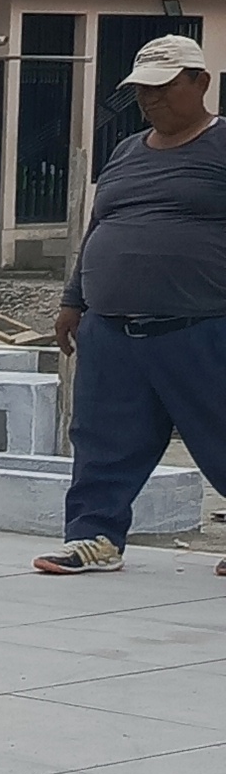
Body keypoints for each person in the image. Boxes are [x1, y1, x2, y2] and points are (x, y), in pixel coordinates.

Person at [35, 32, 226, 577]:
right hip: (111, 332)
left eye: (163, 87)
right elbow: (100, 227)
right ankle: (93, 536)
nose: (150, 98)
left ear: (200, 82)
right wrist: (73, 300)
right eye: (143, 89)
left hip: (202, 325)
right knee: (102, 440)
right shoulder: (126, 152)